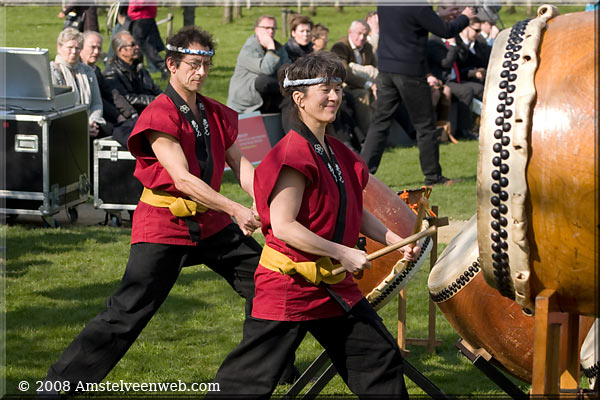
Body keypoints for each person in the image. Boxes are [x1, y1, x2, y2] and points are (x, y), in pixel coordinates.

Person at [38, 26, 263, 397]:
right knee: (127, 313)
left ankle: (261, 373)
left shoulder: (216, 113)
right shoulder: (160, 114)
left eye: (206, 64)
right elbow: (183, 179)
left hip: (211, 223)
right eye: (193, 64)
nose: (201, 73)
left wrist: (261, 202)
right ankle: (57, 387)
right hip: (166, 225)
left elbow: (241, 165)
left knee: (267, 284)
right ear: (171, 65)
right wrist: (236, 209)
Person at [206, 51, 419, 399]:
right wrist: (343, 253)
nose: (334, 96)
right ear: (300, 99)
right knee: (247, 381)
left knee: (378, 356)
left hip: (333, 285)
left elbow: (351, 209)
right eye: (325, 88)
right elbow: (285, 226)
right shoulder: (292, 154)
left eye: (337, 87)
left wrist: (393, 238)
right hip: (290, 284)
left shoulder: (335, 150)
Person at [359, 5, 476, 185]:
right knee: (425, 126)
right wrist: (466, 17)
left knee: (380, 123)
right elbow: (446, 30)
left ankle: (361, 175)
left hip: (386, 71)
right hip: (410, 71)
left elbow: (407, 21)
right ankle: (433, 177)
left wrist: (437, 15)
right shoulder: (418, 4)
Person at [227, 15, 290, 114]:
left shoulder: (279, 48)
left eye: (273, 28)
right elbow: (266, 69)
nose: (271, 31)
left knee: (290, 101)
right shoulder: (249, 48)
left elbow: (287, 70)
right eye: (267, 28)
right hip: (245, 102)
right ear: (257, 30)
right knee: (265, 81)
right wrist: (270, 48)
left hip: (267, 97)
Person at [50, 27, 105, 138]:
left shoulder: (87, 70)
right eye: (70, 47)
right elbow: (56, 107)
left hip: (90, 122)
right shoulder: (52, 70)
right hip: (64, 125)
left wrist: (92, 122)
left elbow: (96, 103)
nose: (74, 52)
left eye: (78, 48)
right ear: (59, 48)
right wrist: (82, 126)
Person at [331, 19, 377, 139]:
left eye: (365, 35)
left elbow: (375, 68)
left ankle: (382, 135)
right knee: (362, 94)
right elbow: (344, 72)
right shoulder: (340, 46)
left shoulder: (367, 47)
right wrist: (368, 84)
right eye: (359, 33)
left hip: (367, 84)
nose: (362, 37)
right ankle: (369, 137)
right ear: (350, 32)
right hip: (344, 86)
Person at [104, 31, 162, 121]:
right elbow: (125, 98)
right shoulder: (111, 73)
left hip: (150, 110)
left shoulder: (138, 66)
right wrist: (153, 100)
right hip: (133, 116)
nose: (137, 47)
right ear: (121, 50)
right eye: (132, 45)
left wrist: (163, 97)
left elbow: (153, 88)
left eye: (136, 44)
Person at [80, 30, 127, 128]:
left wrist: (130, 113)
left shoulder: (96, 70)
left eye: (99, 48)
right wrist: (118, 116)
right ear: (81, 47)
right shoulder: (79, 73)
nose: (96, 52)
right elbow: (98, 99)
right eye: (92, 47)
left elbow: (111, 94)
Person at [127, 0, 168, 79]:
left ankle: (161, 65)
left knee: (140, 44)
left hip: (141, 16)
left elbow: (140, 2)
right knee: (147, 45)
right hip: (145, 16)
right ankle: (138, 71)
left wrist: (132, 6)